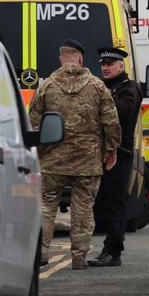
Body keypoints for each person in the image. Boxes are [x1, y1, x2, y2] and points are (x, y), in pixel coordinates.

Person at [29, 39, 121, 270]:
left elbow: (33, 123)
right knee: (83, 208)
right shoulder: (98, 86)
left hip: (52, 160)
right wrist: (111, 150)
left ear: (62, 58)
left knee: (46, 205)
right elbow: (111, 121)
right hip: (88, 161)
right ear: (80, 58)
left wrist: (37, 152)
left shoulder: (46, 86)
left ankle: (40, 252)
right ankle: (79, 258)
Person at [90, 46, 143, 268]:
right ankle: (107, 249)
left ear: (121, 66)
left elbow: (126, 112)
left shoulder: (129, 88)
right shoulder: (105, 87)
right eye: (103, 64)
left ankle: (113, 251)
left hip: (120, 153)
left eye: (110, 64)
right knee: (100, 202)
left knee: (115, 203)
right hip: (100, 152)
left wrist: (105, 96)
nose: (105, 68)